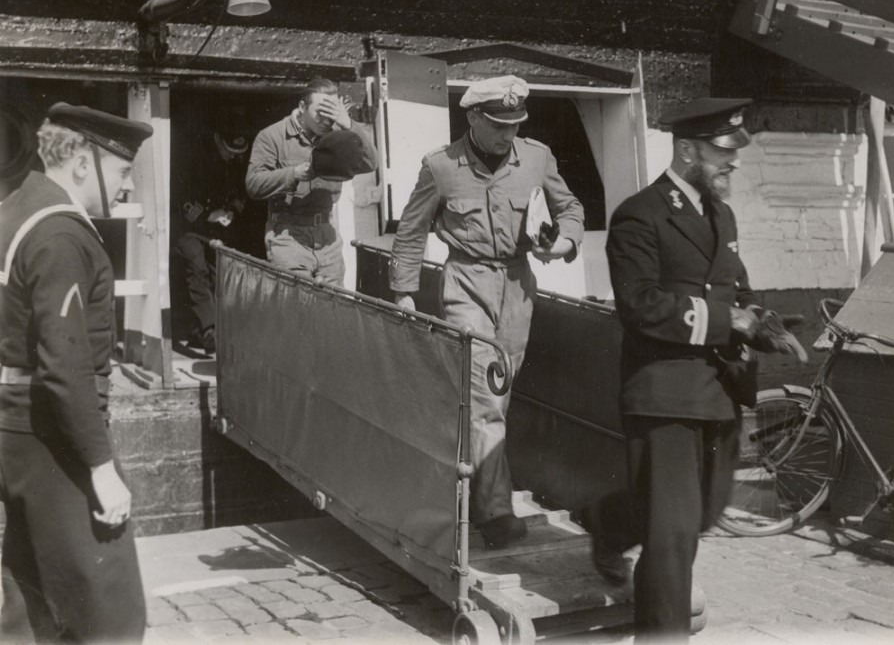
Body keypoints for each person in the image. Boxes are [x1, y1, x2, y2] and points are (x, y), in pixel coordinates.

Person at [599, 98, 805, 642]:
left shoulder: (721, 213)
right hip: (664, 390)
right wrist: (731, 319)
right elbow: (640, 305)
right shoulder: (639, 215)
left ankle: (609, 521)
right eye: (720, 152)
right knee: (672, 536)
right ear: (687, 149)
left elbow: (733, 283)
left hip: (718, 387)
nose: (732, 162)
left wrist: (760, 316)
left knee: (706, 511)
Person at [389, 75, 585, 549]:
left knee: (499, 394)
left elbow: (571, 208)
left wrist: (563, 243)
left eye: (516, 124)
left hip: (518, 287)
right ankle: (495, 512)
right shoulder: (441, 166)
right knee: (485, 395)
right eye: (499, 125)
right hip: (466, 282)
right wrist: (404, 292)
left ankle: (469, 484)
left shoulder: (536, 158)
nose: (508, 134)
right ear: (473, 118)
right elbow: (411, 231)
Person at [0, 103, 151, 641]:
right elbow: (64, 366)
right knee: (110, 610)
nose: (132, 187)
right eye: (124, 172)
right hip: (52, 437)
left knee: (27, 600)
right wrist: (100, 466)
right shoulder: (60, 234)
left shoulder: (17, 209)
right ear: (83, 163)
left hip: (16, 432)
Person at [245, 77, 375, 284]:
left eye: (331, 114)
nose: (326, 121)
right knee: (299, 306)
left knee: (334, 306)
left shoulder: (338, 136)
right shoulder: (272, 136)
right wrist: (293, 174)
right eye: (320, 114)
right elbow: (253, 184)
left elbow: (370, 163)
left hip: (328, 238)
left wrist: (349, 124)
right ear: (302, 107)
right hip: (288, 236)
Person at [173, 122, 251, 355]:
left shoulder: (234, 163)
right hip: (187, 228)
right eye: (229, 150)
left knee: (221, 273)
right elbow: (179, 197)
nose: (232, 157)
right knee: (198, 267)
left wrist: (231, 211)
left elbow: (240, 193)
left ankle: (201, 331)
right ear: (217, 139)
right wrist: (208, 215)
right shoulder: (193, 159)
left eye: (237, 153)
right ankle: (210, 330)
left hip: (217, 230)